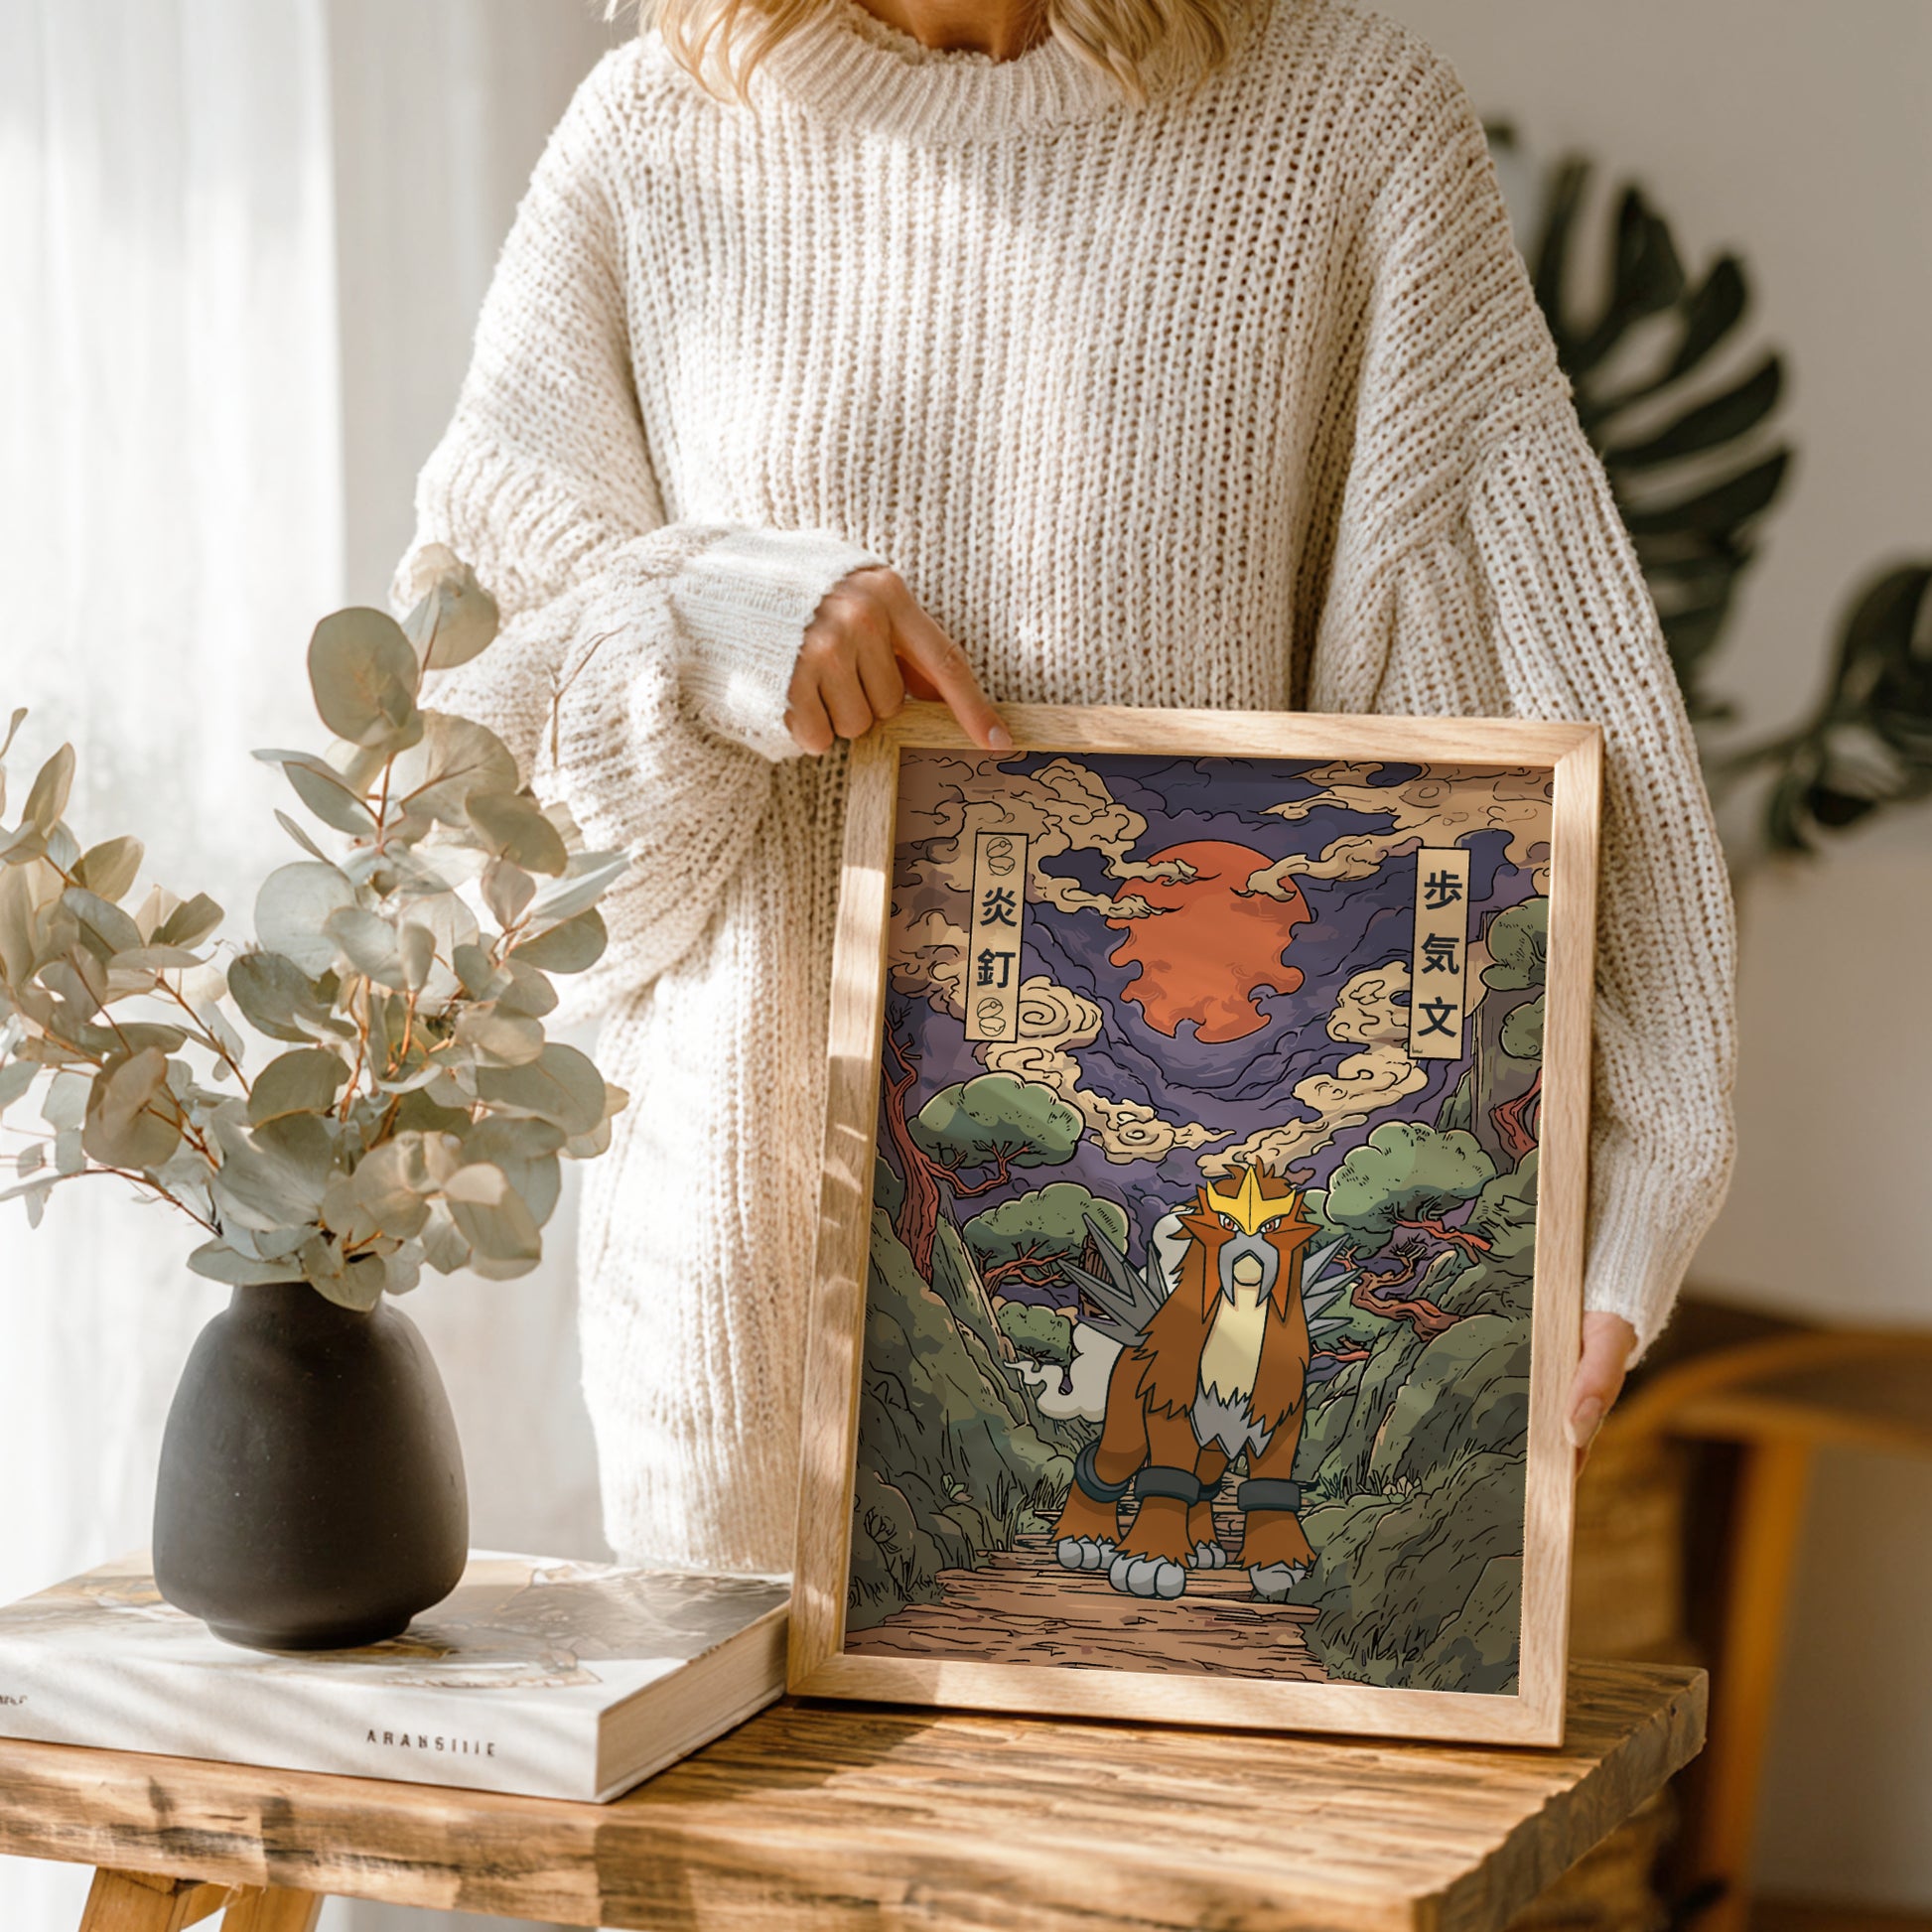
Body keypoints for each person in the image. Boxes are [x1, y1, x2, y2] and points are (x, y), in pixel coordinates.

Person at [394, 0, 1735, 1576]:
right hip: (737, 1336)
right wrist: (705, 621)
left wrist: (1627, 1170)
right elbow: (465, 822)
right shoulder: (650, 140)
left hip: (1223, 1293)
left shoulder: (1343, 127)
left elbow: (1522, 695)